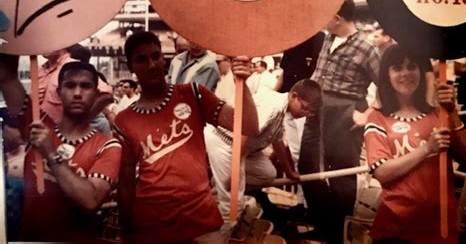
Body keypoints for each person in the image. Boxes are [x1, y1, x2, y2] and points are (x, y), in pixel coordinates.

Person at [114, 31, 258, 243]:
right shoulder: (124, 120)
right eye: (142, 59)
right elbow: (126, 184)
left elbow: (248, 126)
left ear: (164, 59)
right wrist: (127, 232)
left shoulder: (194, 94)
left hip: (201, 220)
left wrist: (242, 83)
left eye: (156, 56)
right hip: (152, 225)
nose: (152, 65)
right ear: (131, 67)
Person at [0, 55, 122, 242]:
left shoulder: (108, 146)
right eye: (70, 85)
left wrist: (50, 153)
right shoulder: (37, 124)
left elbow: (90, 200)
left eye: (86, 86)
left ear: (96, 94)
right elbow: (6, 78)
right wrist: (14, 47)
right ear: (59, 92)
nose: (77, 93)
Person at [364, 44, 466, 243]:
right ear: (386, 74)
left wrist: (452, 111)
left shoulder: (438, 114)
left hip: (441, 227)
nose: (406, 73)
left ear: (421, 71)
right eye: (397, 68)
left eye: (412, 66)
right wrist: (427, 149)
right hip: (396, 229)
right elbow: (382, 172)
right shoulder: (378, 118)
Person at [299, 0, 380, 243]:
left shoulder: (366, 47)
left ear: (337, 18)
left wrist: (366, 114)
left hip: (345, 112)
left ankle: (337, 233)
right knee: (308, 165)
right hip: (317, 108)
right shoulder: (328, 38)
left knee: (341, 173)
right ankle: (322, 223)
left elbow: (385, 87)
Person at [205, 79, 322, 231]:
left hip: (246, 149)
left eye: (309, 112)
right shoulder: (272, 106)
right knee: (233, 206)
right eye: (305, 108)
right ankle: (219, 230)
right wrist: (235, 169)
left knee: (267, 174)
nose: (305, 114)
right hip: (225, 142)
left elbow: (277, 140)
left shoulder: (282, 108)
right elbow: (243, 132)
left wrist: (289, 172)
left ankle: (219, 186)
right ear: (294, 96)